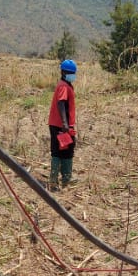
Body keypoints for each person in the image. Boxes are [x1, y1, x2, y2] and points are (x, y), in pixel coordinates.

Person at [48, 59, 77, 189]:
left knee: (67, 150)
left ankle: (66, 179)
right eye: (70, 72)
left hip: (61, 124)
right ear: (63, 72)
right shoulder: (64, 86)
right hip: (60, 125)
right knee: (58, 151)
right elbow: (61, 103)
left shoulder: (65, 84)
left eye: (73, 72)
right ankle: (54, 181)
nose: (72, 75)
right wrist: (65, 123)